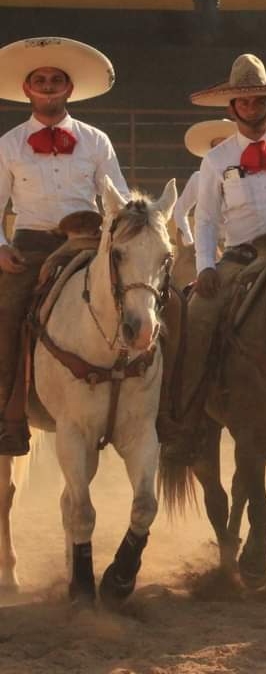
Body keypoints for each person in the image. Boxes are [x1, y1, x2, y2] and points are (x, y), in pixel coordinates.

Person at [160, 54, 266, 441]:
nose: (251, 108)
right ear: (232, 107)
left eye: (258, 101)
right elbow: (206, 220)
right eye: (243, 102)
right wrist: (205, 267)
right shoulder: (216, 160)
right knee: (197, 318)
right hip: (241, 257)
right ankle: (183, 414)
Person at [0, 37, 129, 455]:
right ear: (28, 90)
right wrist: (0, 247)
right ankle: (8, 419)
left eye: (57, 79)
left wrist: (122, 238)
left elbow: (117, 200)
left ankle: (154, 408)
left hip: (89, 242)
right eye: (41, 79)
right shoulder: (8, 144)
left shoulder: (96, 141)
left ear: (70, 89)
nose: (49, 85)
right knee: (5, 315)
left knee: (146, 302)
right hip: (31, 245)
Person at [174, 119, 236, 278]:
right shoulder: (199, 178)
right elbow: (180, 210)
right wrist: (189, 241)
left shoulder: (244, 179)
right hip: (206, 247)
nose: (221, 152)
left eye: (226, 147)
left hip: (237, 246)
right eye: (217, 148)